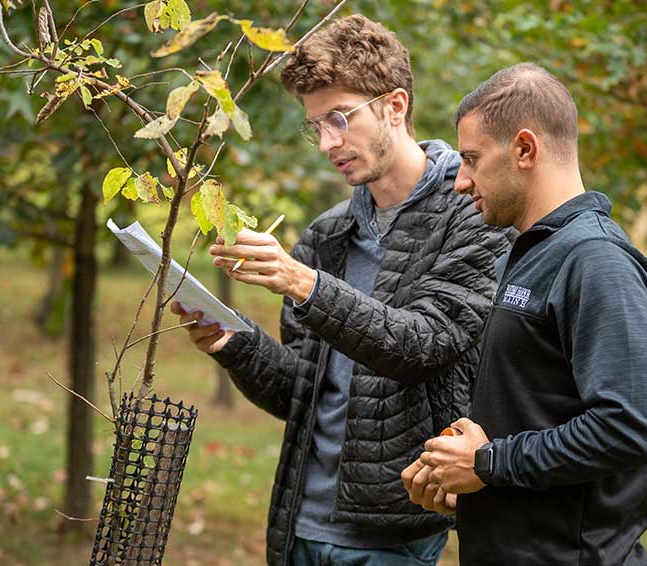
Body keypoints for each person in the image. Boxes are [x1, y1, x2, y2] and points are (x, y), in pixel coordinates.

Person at [171, 15, 510, 566]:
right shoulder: (327, 236)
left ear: (394, 106)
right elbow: (297, 395)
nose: (328, 142)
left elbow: (424, 346)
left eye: (339, 118)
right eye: (316, 125)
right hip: (299, 523)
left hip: (392, 533)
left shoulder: (471, 213)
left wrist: (304, 284)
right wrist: (232, 343)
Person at [401, 63, 647, 565]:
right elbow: (538, 411)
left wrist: (490, 462)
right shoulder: (526, 254)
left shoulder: (597, 261)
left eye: (472, 159)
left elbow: (635, 426)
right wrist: (469, 479)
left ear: (525, 149)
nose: (461, 182)